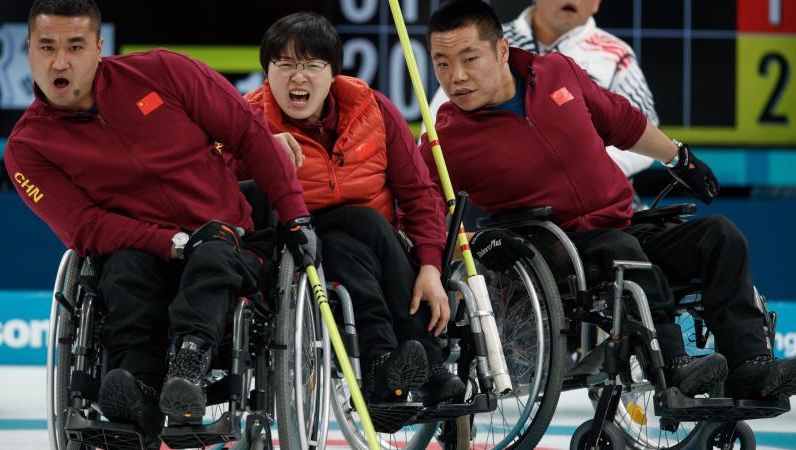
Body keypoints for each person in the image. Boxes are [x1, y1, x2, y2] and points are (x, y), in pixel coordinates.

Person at [421, 0, 796, 401]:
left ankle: (750, 367)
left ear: (501, 50)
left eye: (468, 58)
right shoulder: (446, 138)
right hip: (553, 250)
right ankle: (672, 364)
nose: (455, 77)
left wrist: (678, 157)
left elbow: (622, 120)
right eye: (441, 64)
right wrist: (446, 257)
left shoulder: (555, 72)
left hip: (622, 223)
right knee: (622, 250)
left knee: (719, 235)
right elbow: (420, 202)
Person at [6, 0, 318, 446]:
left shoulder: (165, 72)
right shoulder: (28, 147)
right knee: (124, 269)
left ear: (99, 47)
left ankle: (187, 369)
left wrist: (295, 216)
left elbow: (248, 133)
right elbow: (85, 227)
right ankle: (139, 390)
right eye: (47, 47)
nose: (60, 62)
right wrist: (169, 243)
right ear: (29, 51)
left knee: (213, 246)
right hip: (145, 254)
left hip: (228, 242)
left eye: (75, 46)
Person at [238, 12, 465, 405]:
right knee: (347, 237)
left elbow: (418, 193)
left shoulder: (372, 109)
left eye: (312, 65)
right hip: (291, 241)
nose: (298, 78)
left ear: (333, 74)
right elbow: (215, 190)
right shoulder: (245, 122)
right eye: (286, 65)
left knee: (363, 228)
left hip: (371, 242)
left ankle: (402, 364)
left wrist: (430, 265)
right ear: (266, 71)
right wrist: (261, 153)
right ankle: (395, 364)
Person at [428, 0, 656, 178]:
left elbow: (644, 133)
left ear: (597, 3)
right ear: (503, 50)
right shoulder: (480, 40)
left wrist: (578, 166)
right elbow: (434, 133)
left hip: (607, 208)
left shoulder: (616, 55)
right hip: (503, 210)